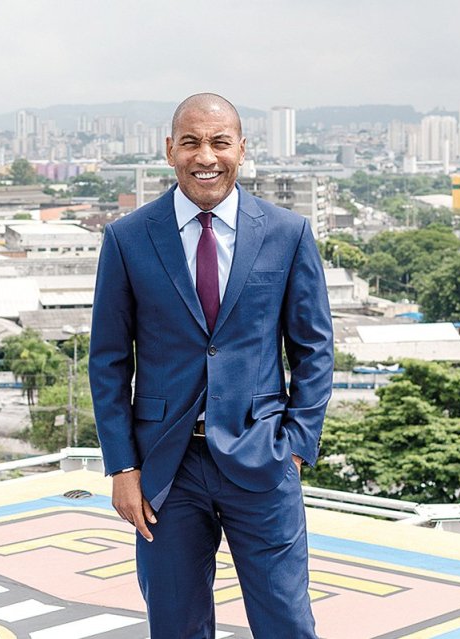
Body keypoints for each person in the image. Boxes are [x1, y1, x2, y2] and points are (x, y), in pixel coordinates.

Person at [89, 93, 333, 638]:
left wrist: (296, 446)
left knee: (287, 622)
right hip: (164, 469)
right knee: (176, 625)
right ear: (169, 150)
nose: (206, 156)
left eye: (220, 142)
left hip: (263, 458)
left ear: (241, 149)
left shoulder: (287, 232)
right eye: (191, 142)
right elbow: (108, 361)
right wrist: (122, 468)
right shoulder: (127, 238)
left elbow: (314, 348)